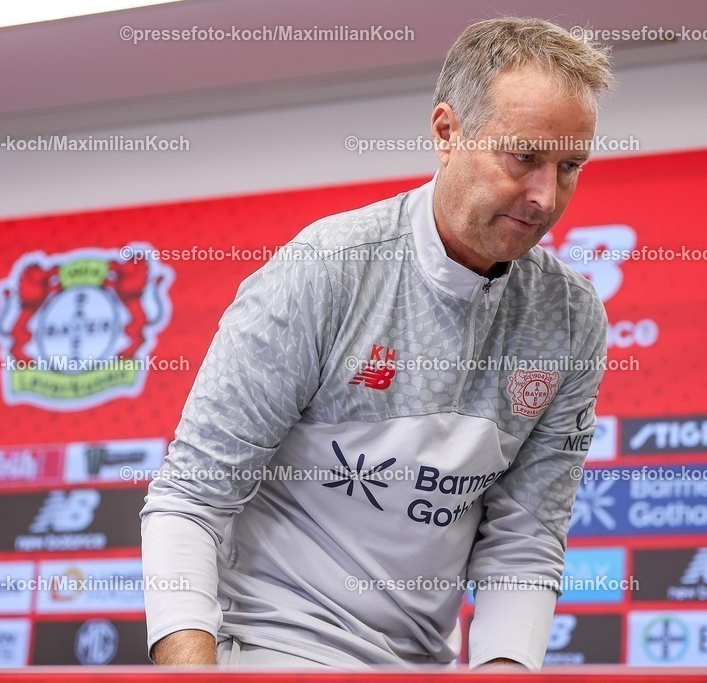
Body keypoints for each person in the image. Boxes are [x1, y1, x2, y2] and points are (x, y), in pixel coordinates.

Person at [141, 16, 613, 670]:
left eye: (570, 167)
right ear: (447, 132)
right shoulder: (326, 269)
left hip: (421, 663)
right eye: (524, 156)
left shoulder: (571, 317)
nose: (544, 195)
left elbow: (524, 545)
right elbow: (191, 497)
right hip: (270, 648)